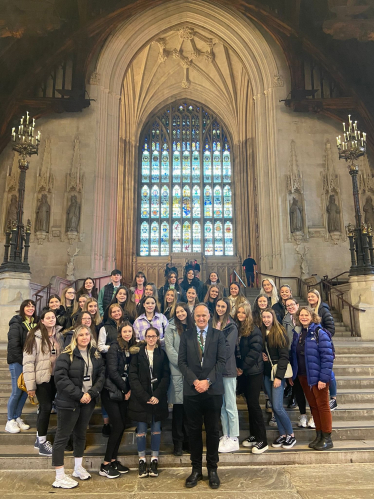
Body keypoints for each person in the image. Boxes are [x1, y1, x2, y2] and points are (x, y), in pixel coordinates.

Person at [178, 303, 226, 490]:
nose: (200, 318)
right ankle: (196, 469)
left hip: (212, 391)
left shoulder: (218, 335)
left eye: (204, 315)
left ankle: (212, 469)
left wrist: (208, 381)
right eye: (197, 316)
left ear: (209, 316)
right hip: (192, 391)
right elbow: (181, 362)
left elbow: (221, 361)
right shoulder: (187, 336)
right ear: (193, 317)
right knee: (194, 431)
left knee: (213, 430)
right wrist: (195, 381)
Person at [51, 326, 105, 489]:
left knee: (81, 435)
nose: (84, 337)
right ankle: (59, 476)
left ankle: (77, 467)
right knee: (62, 437)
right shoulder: (66, 355)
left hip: (88, 401)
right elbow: (60, 379)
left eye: (87, 334)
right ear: (75, 337)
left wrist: (92, 393)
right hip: (69, 402)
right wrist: (79, 394)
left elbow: (101, 375)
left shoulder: (95, 354)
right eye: (81, 335)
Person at [129, 326, 170, 478]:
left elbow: (166, 376)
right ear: (145, 338)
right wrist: (145, 396)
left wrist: (157, 395)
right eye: (148, 336)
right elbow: (132, 377)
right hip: (141, 399)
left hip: (157, 399)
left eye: (154, 336)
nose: (151, 339)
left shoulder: (162, 354)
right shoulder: (138, 354)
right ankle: (141, 460)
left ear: (158, 338)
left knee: (156, 429)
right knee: (140, 430)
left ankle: (154, 459)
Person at [290, 306, 334, 451]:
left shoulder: (319, 332)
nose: (303, 317)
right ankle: (319, 435)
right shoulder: (299, 333)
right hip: (303, 376)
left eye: (306, 315)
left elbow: (327, 357)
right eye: (301, 315)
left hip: (318, 377)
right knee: (314, 407)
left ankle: (327, 438)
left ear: (312, 316)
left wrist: (323, 378)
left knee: (322, 406)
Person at [23, 310, 64, 456]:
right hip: (41, 378)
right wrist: (31, 386)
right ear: (42, 320)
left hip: (55, 378)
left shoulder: (59, 335)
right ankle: (42, 443)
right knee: (46, 407)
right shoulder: (34, 336)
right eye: (48, 317)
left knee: (46, 408)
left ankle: (38, 439)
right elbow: (28, 362)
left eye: (53, 317)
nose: (51, 319)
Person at [100, 322, 135, 478]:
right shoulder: (114, 347)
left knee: (120, 427)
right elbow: (112, 372)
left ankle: (113, 460)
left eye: (130, 331)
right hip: (111, 392)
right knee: (118, 425)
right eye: (125, 331)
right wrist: (126, 389)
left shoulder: (128, 347)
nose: (127, 333)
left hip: (122, 392)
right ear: (120, 333)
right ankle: (105, 464)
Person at [235, 302, 268, 454]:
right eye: (238, 312)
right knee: (249, 404)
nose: (240, 315)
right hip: (246, 372)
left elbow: (255, 351)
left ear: (248, 314)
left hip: (254, 371)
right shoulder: (239, 328)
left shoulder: (254, 330)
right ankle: (254, 435)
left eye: (243, 313)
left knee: (254, 405)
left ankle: (263, 440)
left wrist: (242, 367)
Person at [261, 308, 296, 449]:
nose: (266, 319)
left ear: (273, 317)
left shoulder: (279, 332)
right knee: (273, 408)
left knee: (277, 406)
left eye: (268, 317)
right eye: (264, 317)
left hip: (277, 374)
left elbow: (284, 357)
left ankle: (291, 435)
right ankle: (282, 435)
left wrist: (279, 377)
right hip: (266, 373)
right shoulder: (263, 332)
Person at [165, 303, 193, 456]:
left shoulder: (193, 326)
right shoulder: (171, 328)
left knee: (189, 409)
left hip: (192, 372)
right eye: (178, 312)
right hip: (177, 370)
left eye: (183, 311)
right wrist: (183, 365)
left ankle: (188, 442)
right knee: (178, 410)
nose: (181, 313)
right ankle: (178, 443)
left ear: (187, 312)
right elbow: (169, 349)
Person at [212, 298, 239, 453]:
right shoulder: (213, 323)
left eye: (223, 306)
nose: (220, 308)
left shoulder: (231, 327)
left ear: (227, 308)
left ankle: (234, 437)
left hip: (227, 369)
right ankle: (226, 434)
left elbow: (228, 349)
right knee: (221, 405)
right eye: (218, 306)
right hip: (216, 370)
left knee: (230, 404)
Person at [5, 299, 36, 434]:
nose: (30, 308)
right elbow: (14, 345)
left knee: (25, 390)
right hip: (18, 361)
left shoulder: (34, 323)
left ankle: (17, 417)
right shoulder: (16, 323)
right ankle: (9, 420)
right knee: (17, 391)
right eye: (27, 306)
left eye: (32, 306)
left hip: (29, 362)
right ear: (22, 308)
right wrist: (23, 362)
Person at [283, 298, 312, 427]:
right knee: (298, 389)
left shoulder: (311, 328)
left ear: (297, 305)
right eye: (287, 305)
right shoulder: (287, 322)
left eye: (292, 305)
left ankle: (314, 416)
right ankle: (303, 415)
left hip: (309, 364)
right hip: (296, 361)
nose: (290, 307)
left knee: (311, 393)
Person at [307, 289, 337, 411]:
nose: (310, 298)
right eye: (308, 297)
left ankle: (333, 398)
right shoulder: (309, 310)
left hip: (323, 344)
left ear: (318, 297)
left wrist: (320, 335)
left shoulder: (323, 310)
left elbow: (331, 328)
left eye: (312, 296)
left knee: (328, 371)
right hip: (313, 346)